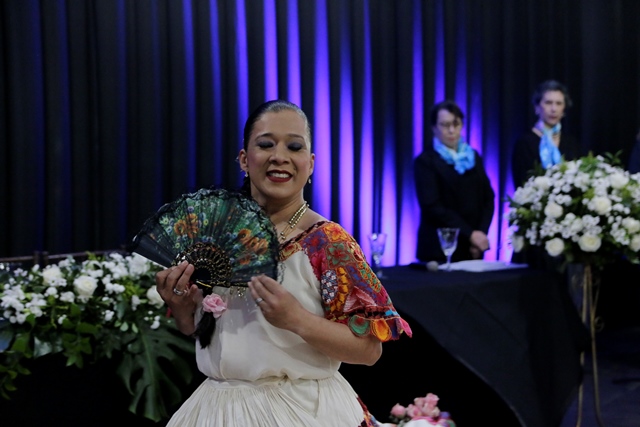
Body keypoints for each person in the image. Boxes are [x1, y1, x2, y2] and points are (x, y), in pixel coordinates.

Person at [155, 100, 412, 427]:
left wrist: (297, 319)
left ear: (310, 164)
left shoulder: (327, 243)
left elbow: (369, 351)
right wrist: (181, 308)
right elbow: (201, 332)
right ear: (244, 159)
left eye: (294, 146)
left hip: (302, 411)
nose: (280, 156)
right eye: (266, 144)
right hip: (217, 409)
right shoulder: (214, 237)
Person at [413, 100, 495, 264]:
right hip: (439, 251)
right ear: (434, 128)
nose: (451, 130)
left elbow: (488, 198)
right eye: (445, 125)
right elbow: (432, 206)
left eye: (456, 124)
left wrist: (480, 234)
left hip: (473, 249)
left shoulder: (473, 156)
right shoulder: (425, 161)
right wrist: (470, 234)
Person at [511, 79, 580, 189]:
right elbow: (521, 184)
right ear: (537, 108)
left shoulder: (571, 142)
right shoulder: (525, 143)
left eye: (559, 103)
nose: (554, 109)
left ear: (564, 109)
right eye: (548, 103)